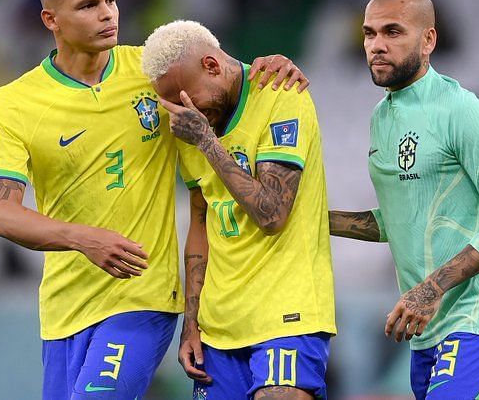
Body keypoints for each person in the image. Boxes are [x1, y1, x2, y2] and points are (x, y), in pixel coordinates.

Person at [0, 0, 311, 400]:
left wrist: (271, 64)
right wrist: (85, 239)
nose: (107, 13)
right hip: (64, 308)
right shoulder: (15, 103)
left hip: (142, 296)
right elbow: (3, 214)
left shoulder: (152, 74)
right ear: (50, 19)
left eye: (111, 0)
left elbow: (226, 78)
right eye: (87, 6)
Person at [329, 0, 479, 400]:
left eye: (393, 32)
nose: (376, 46)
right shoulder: (381, 119)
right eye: (369, 34)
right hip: (424, 332)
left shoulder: (462, 111)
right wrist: (317, 218)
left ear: (428, 40)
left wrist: (431, 288)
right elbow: (397, 220)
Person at [141, 20, 336, 400]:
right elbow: (201, 222)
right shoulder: (190, 125)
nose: (187, 111)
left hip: (287, 314)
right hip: (219, 326)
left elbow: (272, 214)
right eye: (178, 105)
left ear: (213, 65)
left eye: (190, 98)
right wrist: (191, 322)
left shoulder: (281, 95)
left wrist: (207, 141)